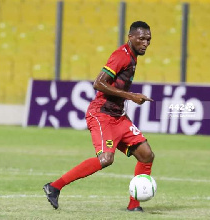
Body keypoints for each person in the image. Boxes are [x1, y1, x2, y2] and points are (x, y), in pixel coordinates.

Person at [43, 21, 155, 212]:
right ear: (130, 37)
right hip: (101, 114)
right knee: (105, 159)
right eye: (141, 38)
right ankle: (54, 187)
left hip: (118, 117)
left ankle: (133, 205)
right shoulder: (121, 56)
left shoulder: (133, 57)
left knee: (146, 155)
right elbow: (98, 83)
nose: (145, 43)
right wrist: (131, 96)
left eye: (148, 39)